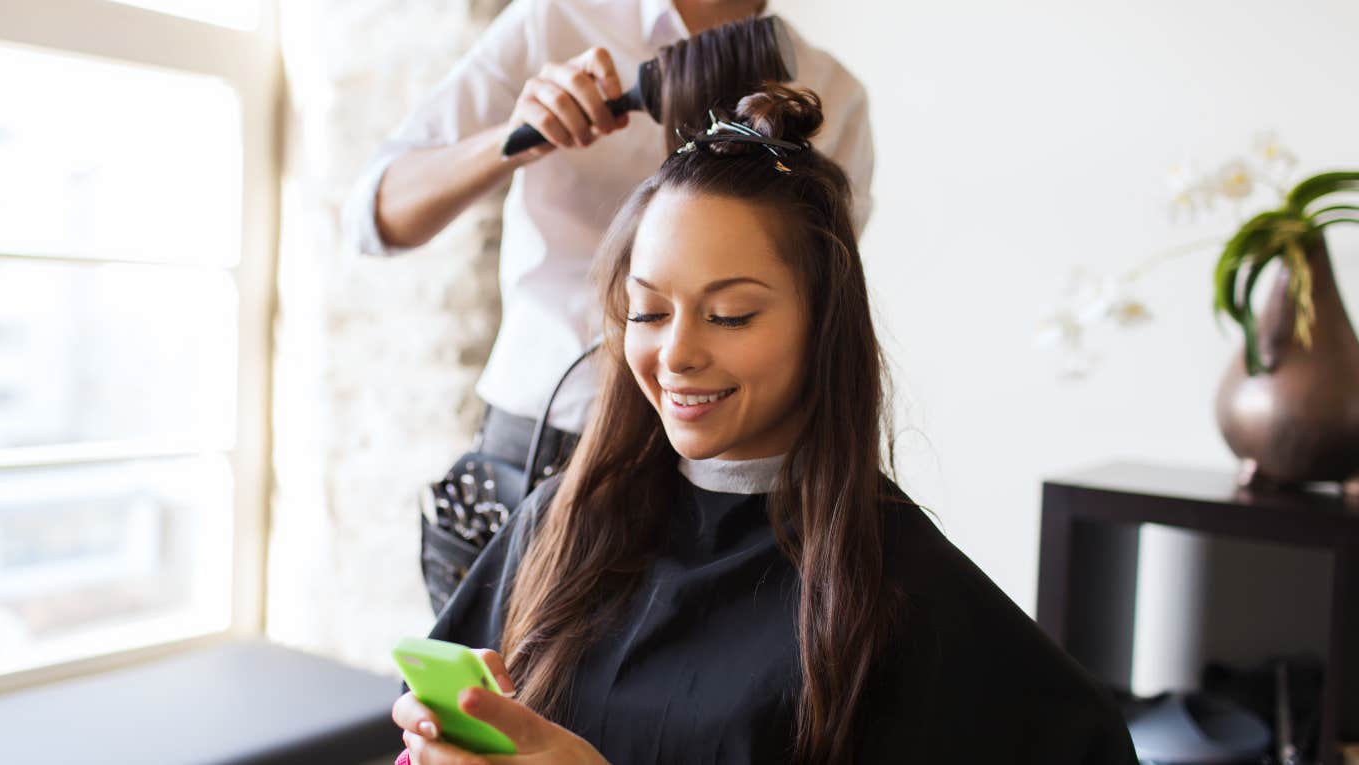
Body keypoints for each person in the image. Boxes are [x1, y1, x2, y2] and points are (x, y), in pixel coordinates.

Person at [387, 85, 1138, 765]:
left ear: (823, 324)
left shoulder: (896, 587)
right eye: (648, 311)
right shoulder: (561, 524)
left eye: (730, 314)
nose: (676, 352)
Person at [343, 0, 875, 528]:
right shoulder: (558, 21)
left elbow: (821, 309)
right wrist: (515, 138)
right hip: (541, 445)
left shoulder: (830, 93)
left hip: (718, 471)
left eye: (732, 312)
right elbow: (376, 215)